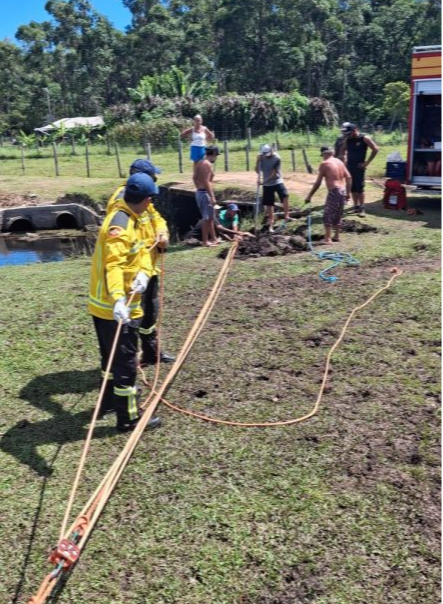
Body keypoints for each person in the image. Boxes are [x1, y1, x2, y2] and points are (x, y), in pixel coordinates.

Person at [89, 174, 168, 432]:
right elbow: (113, 266)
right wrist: (118, 299)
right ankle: (128, 418)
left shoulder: (131, 217)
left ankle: (108, 403)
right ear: (145, 200)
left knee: (111, 362)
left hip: (111, 306)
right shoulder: (120, 226)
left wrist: (144, 273)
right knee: (125, 364)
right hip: (113, 309)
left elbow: (142, 250)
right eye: (150, 200)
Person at [107, 159, 175, 367]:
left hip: (148, 267)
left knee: (150, 312)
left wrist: (162, 232)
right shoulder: (124, 201)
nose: (155, 181)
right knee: (133, 316)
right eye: (153, 177)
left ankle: (151, 353)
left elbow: (156, 218)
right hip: (132, 273)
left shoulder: (143, 197)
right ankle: (129, 360)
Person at [305, 146, 352, 245]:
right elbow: (348, 177)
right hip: (342, 190)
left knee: (328, 214)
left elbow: (318, 183)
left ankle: (328, 239)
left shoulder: (324, 164)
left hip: (334, 191)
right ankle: (336, 236)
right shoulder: (339, 162)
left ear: (324, 154)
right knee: (338, 214)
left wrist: (309, 196)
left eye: (322, 155)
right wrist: (348, 193)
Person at [341, 122, 379, 217]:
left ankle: (362, 208)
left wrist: (366, 163)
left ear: (354, 130)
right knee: (353, 188)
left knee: (360, 189)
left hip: (359, 168)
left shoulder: (364, 138)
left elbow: (375, 149)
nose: (347, 135)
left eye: (348, 133)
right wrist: (345, 160)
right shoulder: (347, 140)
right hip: (350, 167)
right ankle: (356, 207)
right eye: (346, 134)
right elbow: (343, 150)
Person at [256, 144, 290, 233]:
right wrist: (257, 161)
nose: (266, 156)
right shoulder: (261, 157)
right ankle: (271, 222)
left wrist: (263, 182)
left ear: (271, 151)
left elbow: (274, 175)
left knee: (285, 195)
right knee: (269, 204)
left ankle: (287, 216)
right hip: (267, 185)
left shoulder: (277, 158)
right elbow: (257, 171)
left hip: (277, 181)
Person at [193, 146, 221, 247]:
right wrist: (211, 196)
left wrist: (198, 188)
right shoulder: (207, 164)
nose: (216, 158)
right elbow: (206, 182)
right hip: (205, 193)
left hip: (201, 192)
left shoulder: (200, 163)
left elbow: (194, 178)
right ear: (213, 154)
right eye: (216, 155)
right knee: (207, 218)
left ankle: (214, 238)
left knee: (210, 217)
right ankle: (205, 241)